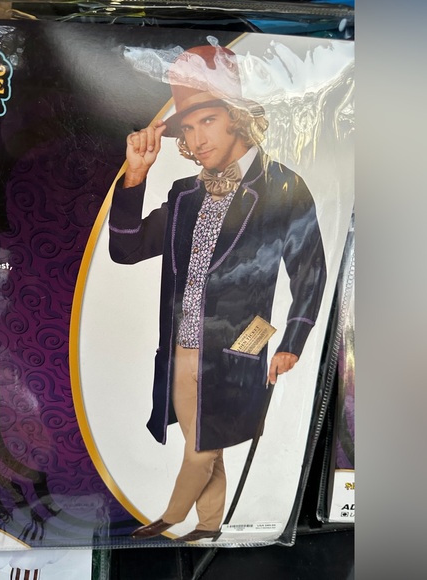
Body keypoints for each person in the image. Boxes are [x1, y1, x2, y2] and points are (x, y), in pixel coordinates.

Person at [108, 44, 327, 542]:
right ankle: (209, 525)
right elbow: (126, 250)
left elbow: (310, 272)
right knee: (205, 440)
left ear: (238, 118)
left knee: (202, 450)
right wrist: (136, 175)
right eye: (187, 128)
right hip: (180, 348)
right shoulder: (185, 194)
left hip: (240, 347)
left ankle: (169, 517)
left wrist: (291, 341)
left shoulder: (284, 187)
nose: (197, 138)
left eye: (207, 121)